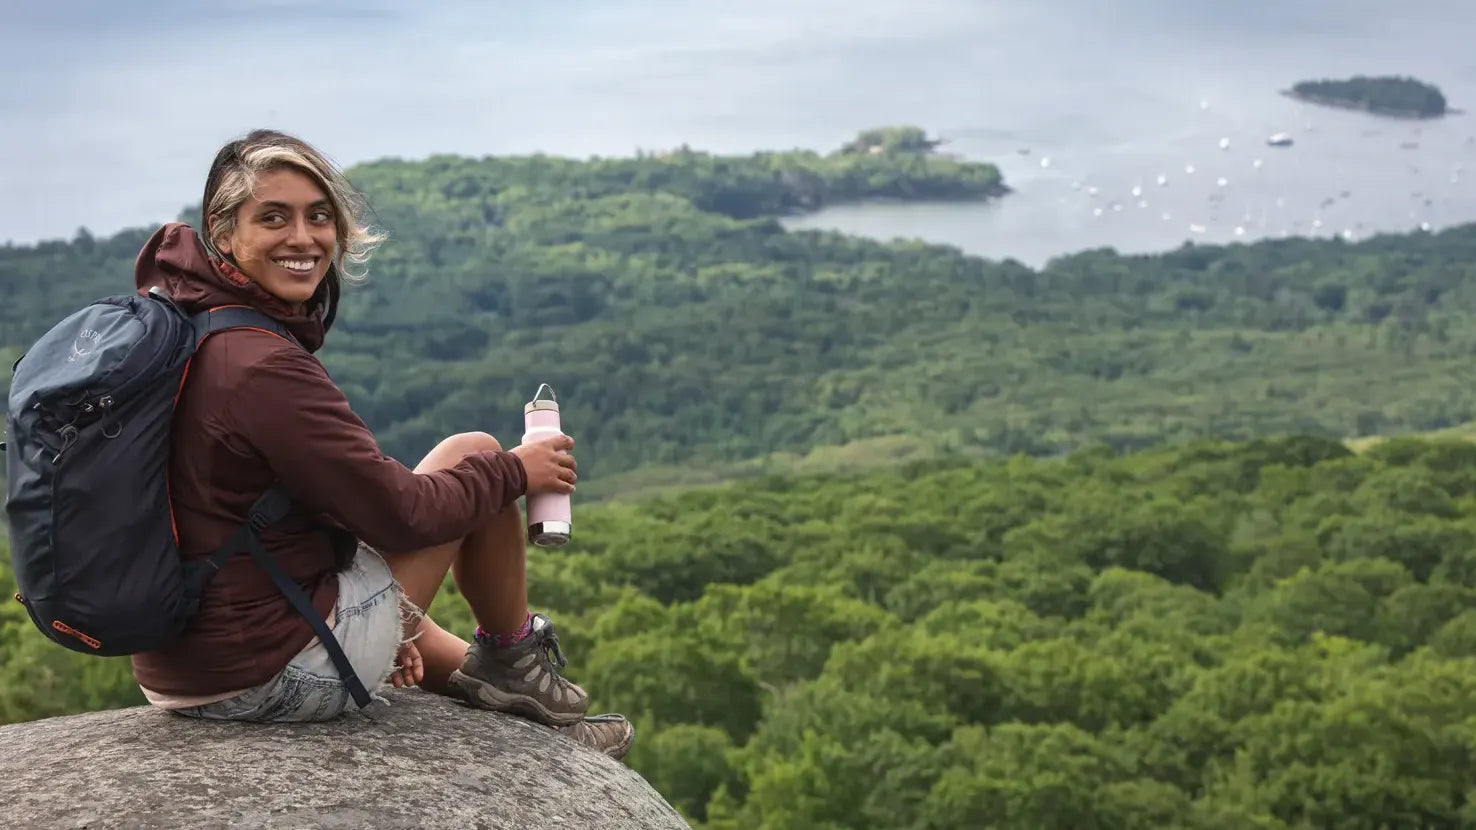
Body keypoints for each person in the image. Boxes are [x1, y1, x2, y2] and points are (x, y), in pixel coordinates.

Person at [128, 128, 633, 759]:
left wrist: (391, 623)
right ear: (224, 233)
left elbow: (316, 508)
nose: (303, 238)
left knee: (463, 462)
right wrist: (517, 472)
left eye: (319, 217)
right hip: (265, 673)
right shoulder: (259, 366)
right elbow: (403, 515)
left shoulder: (188, 324)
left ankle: (509, 684)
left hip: (187, 662)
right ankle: (511, 657)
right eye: (274, 218)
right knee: (480, 459)